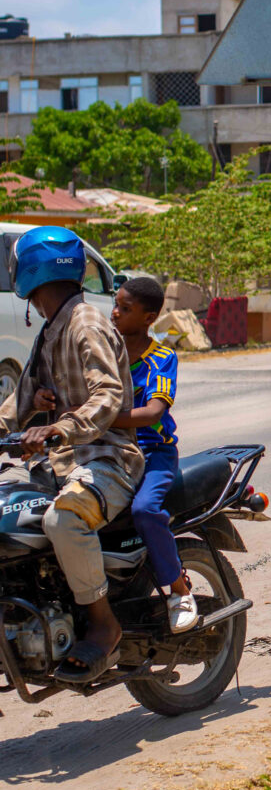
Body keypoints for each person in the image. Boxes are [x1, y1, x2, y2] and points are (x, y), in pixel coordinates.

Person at [0, 226, 144, 683]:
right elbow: (16, 406)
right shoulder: (50, 331)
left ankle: (103, 623)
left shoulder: (86, 323)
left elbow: (108, 395)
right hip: (59, 465)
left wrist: (60, 427)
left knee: (62, 520)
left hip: (107, 460)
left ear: (25, 274)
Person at [110, 277, 198, 633]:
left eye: (124, 308)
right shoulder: (103, 351)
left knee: (145, 511)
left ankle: (178, 591)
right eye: (115, 304)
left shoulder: (161, 357)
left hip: (152, 452)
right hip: (109, 449)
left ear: (149, 317)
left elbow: (152, 413)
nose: (114, 313)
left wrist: (98, 420)